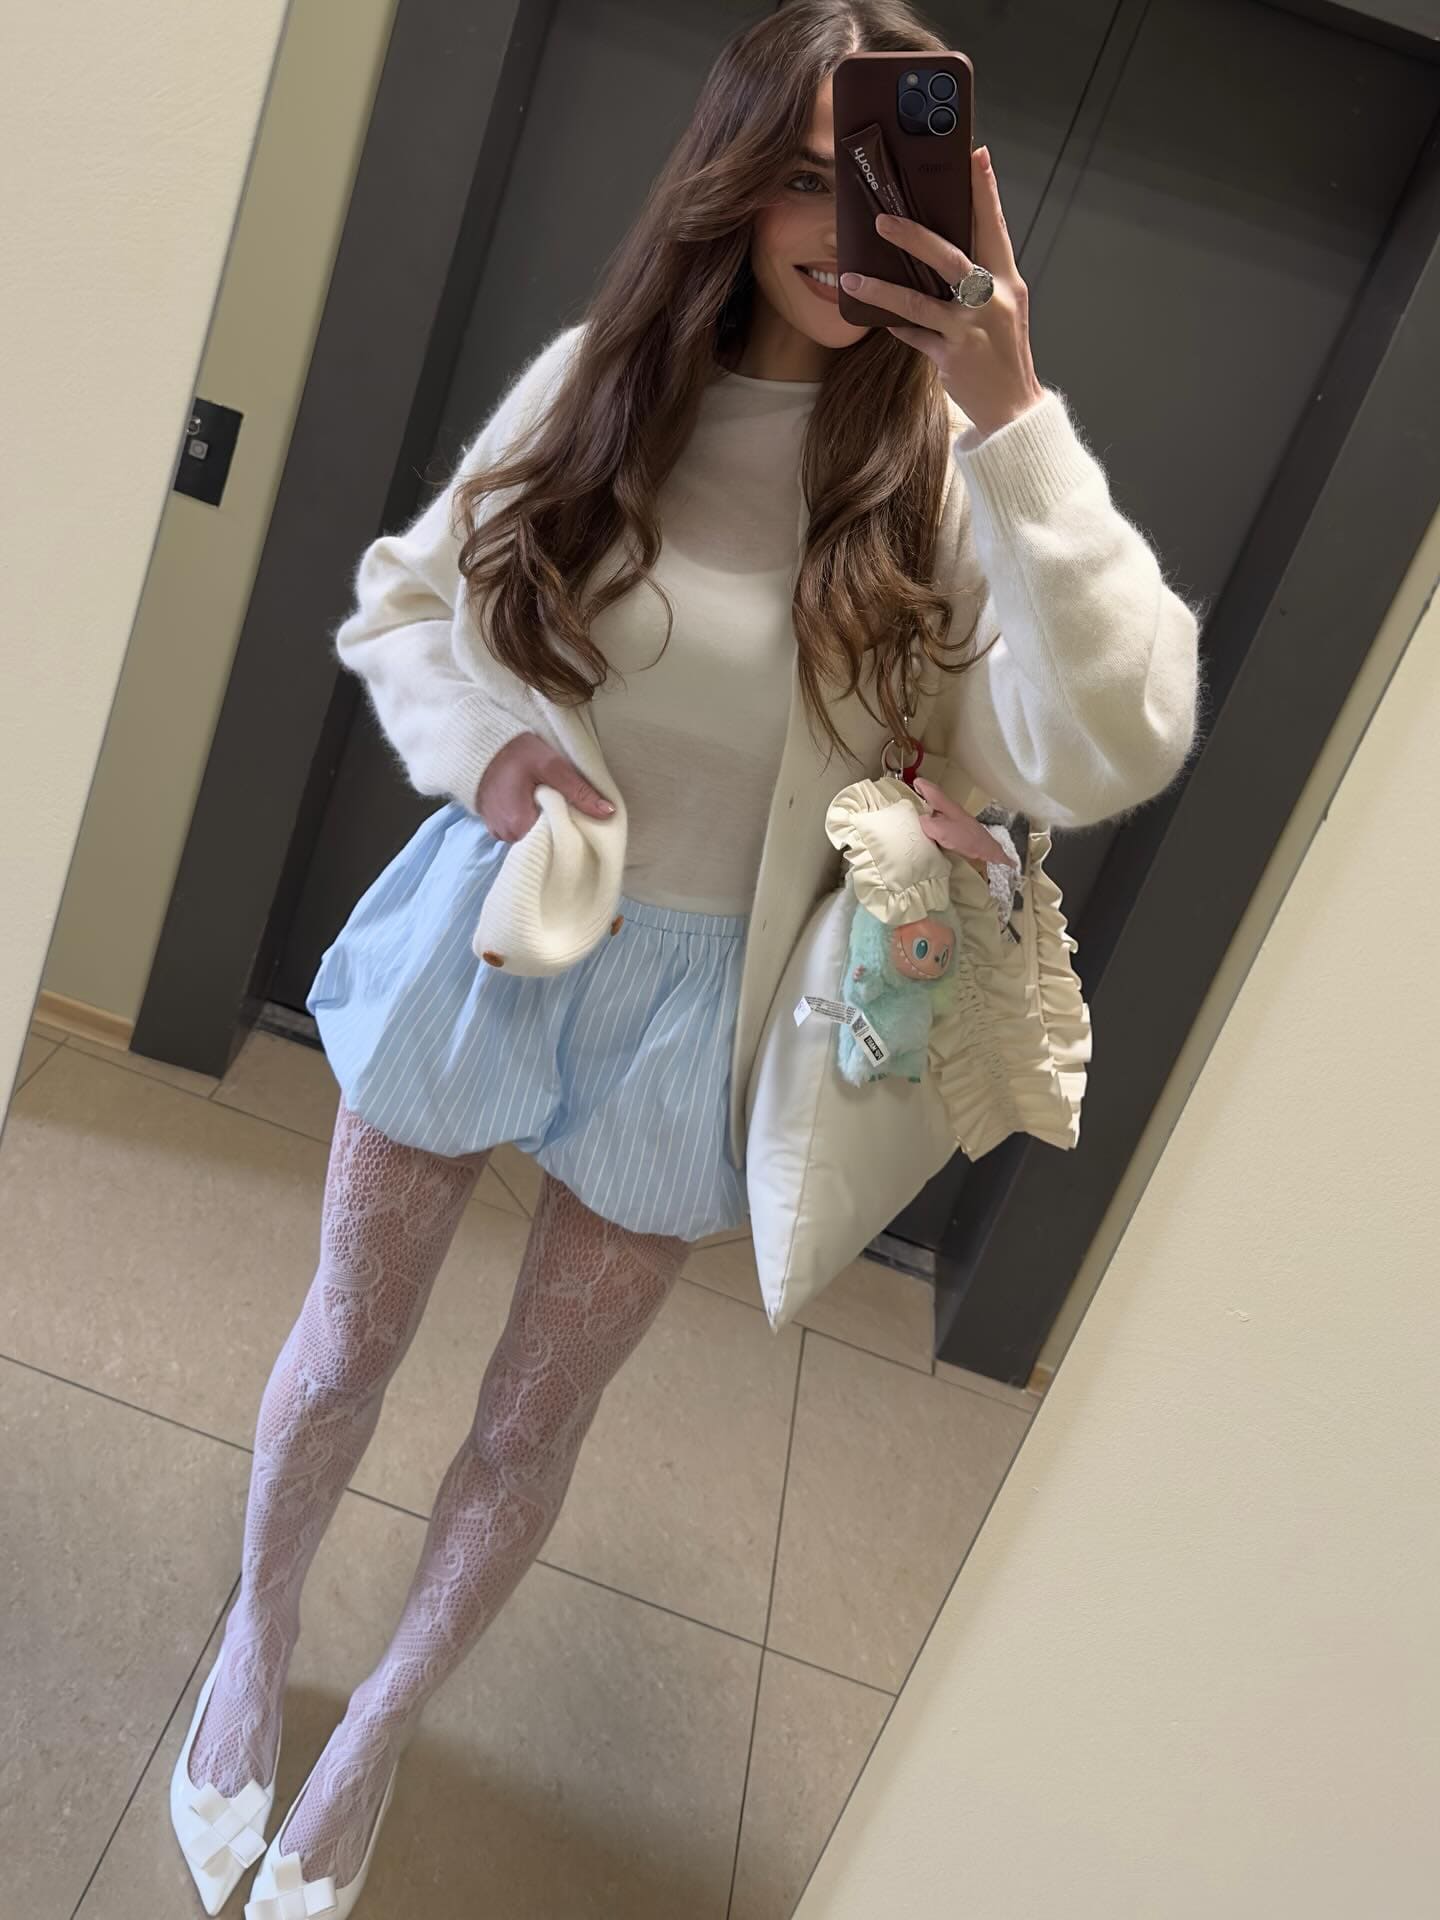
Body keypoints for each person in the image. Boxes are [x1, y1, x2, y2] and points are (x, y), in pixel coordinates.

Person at [169, 3, 1200, 1913]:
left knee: (529, 1420)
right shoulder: (600, 389)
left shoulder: (952, 481)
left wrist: (1018, 419)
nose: (840, 228)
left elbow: (1120, 733)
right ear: (730, 186)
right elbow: (409, 598)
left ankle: (379, 1724)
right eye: (802, 177)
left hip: (706, 1012)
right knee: (345, 1351)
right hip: (499, 937)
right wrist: (489, 750)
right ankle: (257, 1634)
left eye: (878, 180)